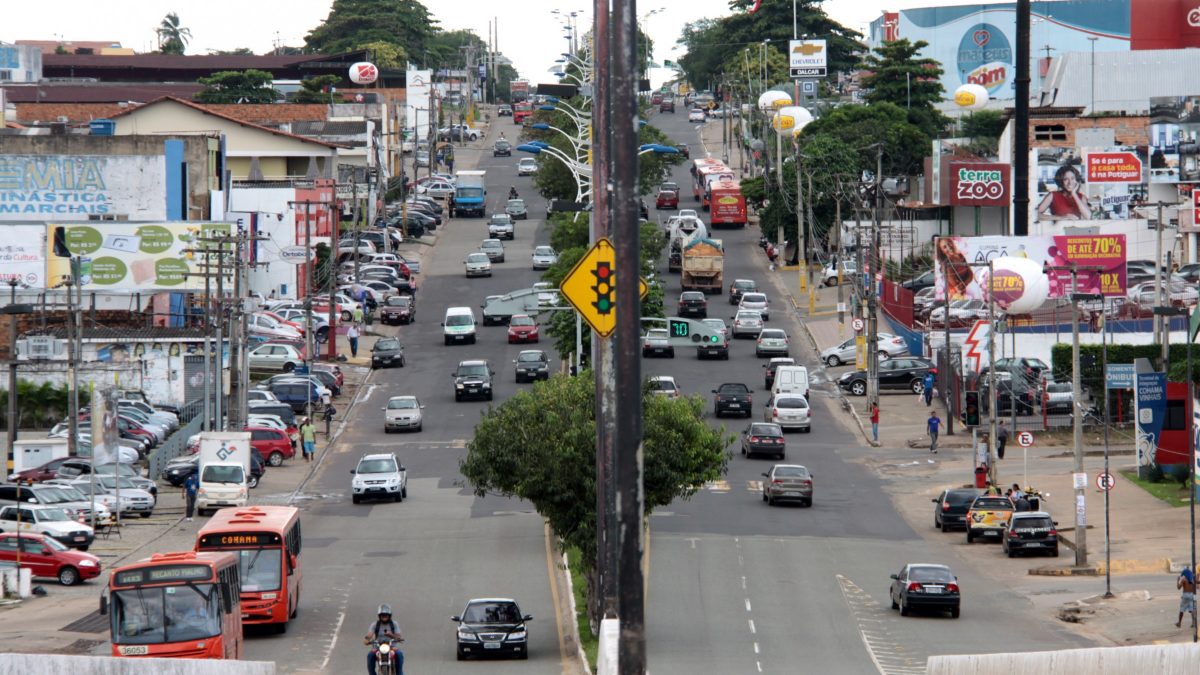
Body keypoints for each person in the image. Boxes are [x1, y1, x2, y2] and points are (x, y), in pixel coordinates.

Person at [365, 603, 404, 675]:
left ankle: (400, 673)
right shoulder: (375, 624)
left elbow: (398, 637)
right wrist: (367, 639)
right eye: (382, 615)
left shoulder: (394, 624)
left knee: (399, 654)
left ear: (389, 616)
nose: (384, 617)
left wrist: (391, 635)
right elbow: (369, 634)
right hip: (378, 647)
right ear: (379, 616)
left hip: (392, 646)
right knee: (370, 655)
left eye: (386, 615)